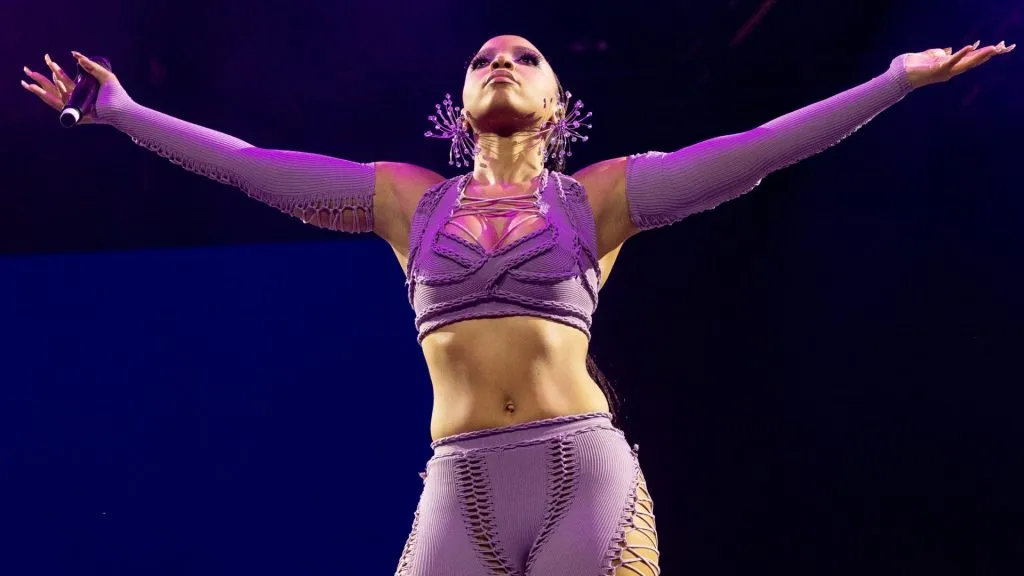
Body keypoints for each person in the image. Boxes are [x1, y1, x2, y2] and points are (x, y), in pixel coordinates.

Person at [21, 34, 1013, 576]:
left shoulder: (600, 197)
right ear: (457, 109)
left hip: (580, 473)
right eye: (483, 59)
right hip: (460, 483)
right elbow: (252, 169)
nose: (501, 61)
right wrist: (120, 112)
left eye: (525, 59)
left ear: (554, 107)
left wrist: (892, 81)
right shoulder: (407, 200)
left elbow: (755, 152)